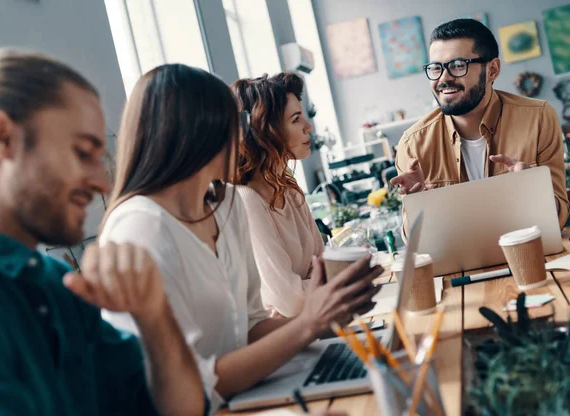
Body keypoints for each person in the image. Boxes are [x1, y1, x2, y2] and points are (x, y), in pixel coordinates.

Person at [98, 63, 382, 413]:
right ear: (192, 133)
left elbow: (250, 327)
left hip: (250, 396)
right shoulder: (140, 228)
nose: (243, 135)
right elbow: (188, 387)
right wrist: (309, 324)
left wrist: (327, 317)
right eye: (234, 123)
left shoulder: (227, 202)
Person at [0, 48, 206, 415]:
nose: (103, 183)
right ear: (2, 138)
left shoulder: (57, 285)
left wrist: (153, 315)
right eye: (82, 152)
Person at [391, 19, 569, 229]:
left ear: (492, 70)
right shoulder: (412, 144)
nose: (443, 78)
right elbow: (412, 239)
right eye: (436, 67)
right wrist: (417, 203)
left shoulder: (538, 117)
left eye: (458, 65)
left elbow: (559, 217)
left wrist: (533, 189)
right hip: (457, 262)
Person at [232, 73, 324, 318]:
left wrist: (313, 283)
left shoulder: (288, 186)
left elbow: (324, 263)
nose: (308, 126)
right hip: (285, 344)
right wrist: (319, 282)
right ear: (266, 131)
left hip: (312, 325)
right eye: (296, 119)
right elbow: (291, 301)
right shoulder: (246, 199)